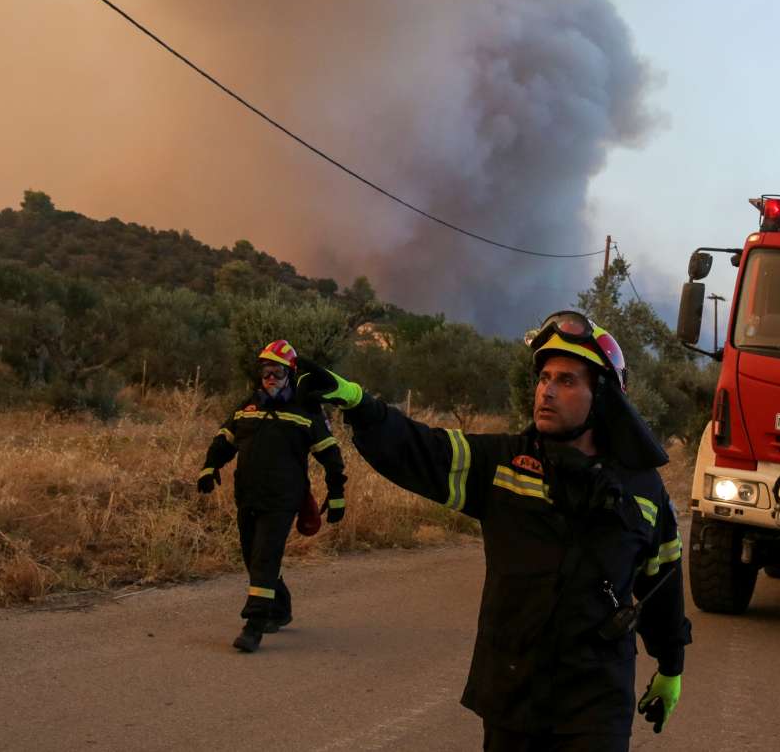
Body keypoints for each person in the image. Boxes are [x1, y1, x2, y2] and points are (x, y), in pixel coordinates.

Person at [298, 311, 691, 751]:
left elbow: (663, 580)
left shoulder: (643, 489)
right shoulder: (501, 464)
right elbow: (421, 448)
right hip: (512, 694)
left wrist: (671, 665)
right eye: (543, 378)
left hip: (595, 702)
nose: (547, 391)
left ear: (602, 396)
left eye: (566, 381)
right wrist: (358, 404)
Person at [197, 339, 348, 652]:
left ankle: (254, 625)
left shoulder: (306, 412)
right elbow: (224, 440)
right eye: (266, 370)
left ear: (289, 375)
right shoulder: (246, 407)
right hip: (248, 496)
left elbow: (331, 457)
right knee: (253, 557)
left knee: (265, 557)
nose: (270, 377)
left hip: (283, 500)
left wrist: (336, 496)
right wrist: (209, 468)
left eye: (278, 371)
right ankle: (280, 609)